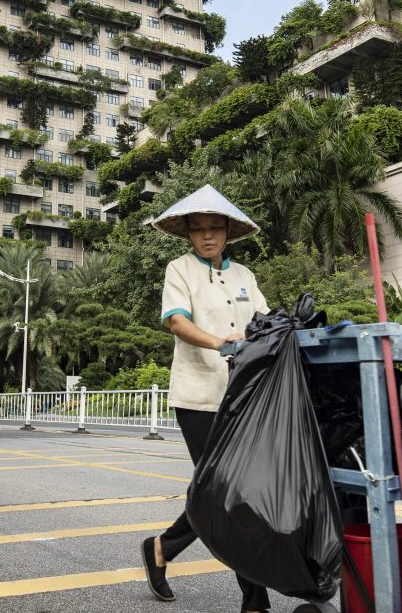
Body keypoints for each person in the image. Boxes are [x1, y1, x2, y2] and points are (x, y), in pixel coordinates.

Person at [140, 184, 271, 613]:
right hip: (197, 398)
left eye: (216, 228)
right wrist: (221, 344)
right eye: (199, 230)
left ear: (229, 231)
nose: (208, 236)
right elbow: (176, 322)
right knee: (227, 494)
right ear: (189, 235)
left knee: (226, 493)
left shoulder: (244, 276)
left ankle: (162, 548)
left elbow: (264, 323)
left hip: (243, 398)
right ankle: (255, 600)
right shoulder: (179, 270)